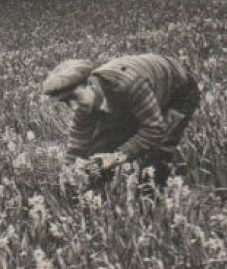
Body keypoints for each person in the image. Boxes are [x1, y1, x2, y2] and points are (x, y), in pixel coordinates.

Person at [42, 54, 202, 184]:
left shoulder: (129, 85)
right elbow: (77, 146)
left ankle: (155, 193)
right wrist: (68, 172)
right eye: (66, 102)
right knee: (100, 147)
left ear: (90, 83)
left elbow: (154, 130)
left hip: (177, 92)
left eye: (75, 97)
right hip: (130, 98)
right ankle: (105, 191)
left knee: (159, 148)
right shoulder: (86, 104)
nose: (74, 107)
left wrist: (117, 156)